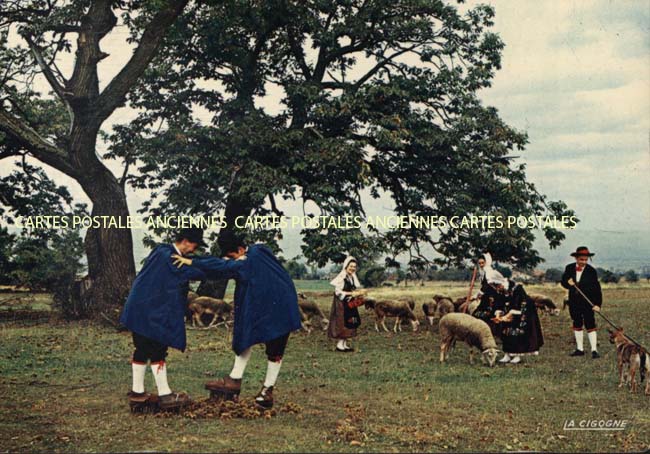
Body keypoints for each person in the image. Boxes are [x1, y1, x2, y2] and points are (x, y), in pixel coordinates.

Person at [172, 231, 302, 409]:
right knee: (272, 349)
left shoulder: (245, 262)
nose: (232, 260)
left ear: (240, 249)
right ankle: (259, 388)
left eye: (232, 256)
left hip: (275, 309)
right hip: (285, 307)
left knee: (250, 337)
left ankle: (244, 384)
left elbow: (222, 267)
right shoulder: (262, 250)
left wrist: (193, 261)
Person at [119, 227, 207, 410]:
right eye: (194, 247)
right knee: (157, 350)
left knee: (142, 349)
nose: (193, 251)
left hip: (141, 310)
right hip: (150, 312)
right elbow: (198, 271)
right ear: (185, 241)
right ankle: (165, 395)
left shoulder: (161, 252)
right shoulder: (171, 258)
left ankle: (137, 395)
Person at [561, 246, 602, 358]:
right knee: (577, 322)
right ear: (576, 259)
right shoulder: (569, 268)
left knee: (590, 323)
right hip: (574, 302)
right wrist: (567, 283)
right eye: (581, 260)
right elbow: (563, 281)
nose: (584, 262)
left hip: (588, 303)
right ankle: (580, 349)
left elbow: (597, 289)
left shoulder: (591, 271)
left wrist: (597, 304)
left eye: (585, 260)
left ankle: (594, 350)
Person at [494, 279, 544, 364]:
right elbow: (500, 303)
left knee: (516, 332)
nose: (498, 289)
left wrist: (508, 315)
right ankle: (507, 354)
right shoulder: (502, 291)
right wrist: (498, 315)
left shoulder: (517, 289)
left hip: (522, 313)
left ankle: (517, 355)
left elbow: (520, 305)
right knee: (506, 331)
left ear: (502, 284)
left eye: (498, 286)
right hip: (509, 314)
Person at [327, 256, 367, 352]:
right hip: (341, 304)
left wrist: (360, 292)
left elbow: (353, 289)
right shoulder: (342, 278)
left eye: (354, 267)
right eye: (351, 266)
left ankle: (344, 344)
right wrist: (351, 293)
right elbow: (337, 292)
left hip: (350, 303)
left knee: (350, 322)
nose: (352, 268)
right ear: (346, 266)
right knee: (342, 322)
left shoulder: (352, 277)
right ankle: (339, 345)